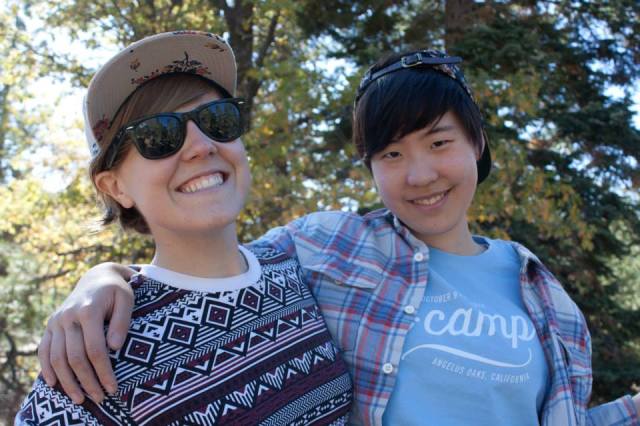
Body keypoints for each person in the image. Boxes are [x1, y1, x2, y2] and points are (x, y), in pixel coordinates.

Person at [34, 48, 640, 426]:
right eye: (392, 153)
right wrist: (105, 277)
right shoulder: (331, 249)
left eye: (440, 142)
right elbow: (194, 269)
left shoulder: (543, 292)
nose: (421, 174)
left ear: (478, 145)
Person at [15, 31, 353, 425]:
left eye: (217, 119)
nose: (201, 145)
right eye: (158, 134)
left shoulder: (294, 266)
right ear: (115, 186)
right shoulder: (94, 356)